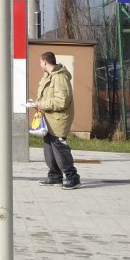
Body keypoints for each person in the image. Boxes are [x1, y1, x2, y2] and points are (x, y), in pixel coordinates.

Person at [34, 51, 81, 190]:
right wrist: (36, 103)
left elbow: (62, 101)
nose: (40, 65)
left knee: (59, 148)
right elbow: (44, 96)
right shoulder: (48, 76)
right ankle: (55, 176)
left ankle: (73, 177)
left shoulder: (60, 78)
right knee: (49, 148)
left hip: (58, 119)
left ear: (45, 62)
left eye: (40, 62)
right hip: (48, 118)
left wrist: (42, 104)